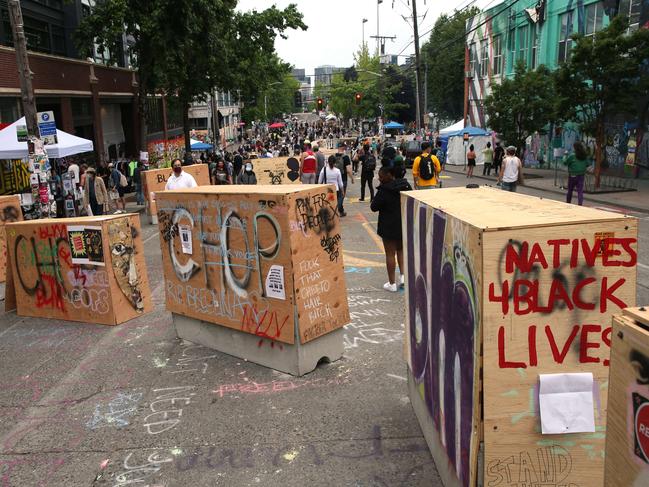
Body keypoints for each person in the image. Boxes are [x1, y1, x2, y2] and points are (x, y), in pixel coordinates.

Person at [370, 166, 412, 292]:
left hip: (388, 226)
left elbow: (374, 207)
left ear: (390, 174)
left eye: (381, 176)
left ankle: (392, 283)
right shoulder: (405, 186)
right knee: (401, 251)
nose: (379, 178)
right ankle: (403, 277)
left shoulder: (384, 190)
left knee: (390, 254)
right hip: (403, 224)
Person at [564, 141, 590, 206]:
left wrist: (565, 155)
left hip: (572, 175)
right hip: (581, 175)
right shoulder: (584, 155)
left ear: (575, 148)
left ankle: (568, 203)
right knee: (580, 191)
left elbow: (565, 162)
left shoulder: (572, 156)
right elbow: (588, 164)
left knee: (570, 190)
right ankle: (580, 204)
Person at [334, 143, 354, 216]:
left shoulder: (334, 156)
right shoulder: (345, 157)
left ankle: (341, 211)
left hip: (334, 178)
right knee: (342, 195)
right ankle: (337, 210)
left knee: (336, 195)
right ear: (343, 148)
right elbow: (348, 170)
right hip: (343, 178)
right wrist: (352, 178)